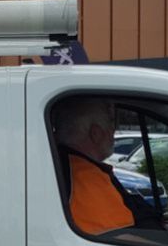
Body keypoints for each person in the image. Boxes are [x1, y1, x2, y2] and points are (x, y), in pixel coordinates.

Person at [55, 98, 136, 236]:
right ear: (95, 133)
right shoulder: (83, 176)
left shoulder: (59, 165)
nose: (114, 133)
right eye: (111, 125)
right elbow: (120, 239)